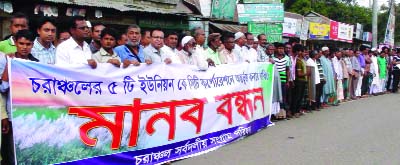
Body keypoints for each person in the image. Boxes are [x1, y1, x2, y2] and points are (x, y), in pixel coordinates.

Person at [1, 29, 38, 165]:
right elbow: (3, 88)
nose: (24, 47)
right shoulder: (7, 59)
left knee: (29, 150)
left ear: (32, 45)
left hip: (30, 114)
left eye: (28, 44)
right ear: (15, 43)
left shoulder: (36, 63)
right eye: (21, 43)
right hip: (13, 115)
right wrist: (9, 65)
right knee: (12, 152)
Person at [272, 42, 291, 119]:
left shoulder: (287, 58)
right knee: (275, 97)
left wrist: (287, 81)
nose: (281, 50)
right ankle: (274, 114)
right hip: (274, 80)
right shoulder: (272, 58)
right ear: (276, 49)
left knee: (283, 97)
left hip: (283, 80)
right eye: (279, 48)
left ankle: (282, 114)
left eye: (282, 48)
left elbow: (287, 70)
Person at [290, 44, 307, 118]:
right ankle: (294, 111)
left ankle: (298, 110)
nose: (302, 53)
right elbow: (299, 73)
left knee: (300, 96)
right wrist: (307, 73)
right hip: (298, 80)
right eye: (301, 51)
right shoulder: (297, 60)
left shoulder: (300, 59)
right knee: (296, 97)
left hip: (302, 80)